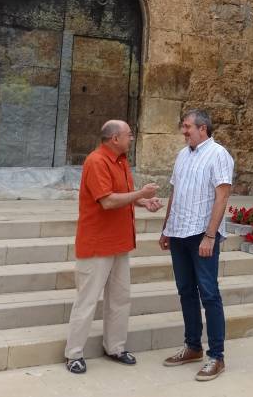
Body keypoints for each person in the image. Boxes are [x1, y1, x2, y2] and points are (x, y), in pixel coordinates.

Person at [64, 119, 162, 374]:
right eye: (129, 135)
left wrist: (143, 203)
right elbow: (107, 201)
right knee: (87, 301)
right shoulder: (96, 161)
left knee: (120, 298)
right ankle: (74, 354)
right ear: (114, 139)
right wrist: (141, 194)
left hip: (119, 243)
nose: (132, 138)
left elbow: (120, 196)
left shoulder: (120, 160)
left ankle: (115, 347)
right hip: (97, 244)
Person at [160, 109, 234, 382]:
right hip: (178, 233)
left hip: (202, 236)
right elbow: (175, 192)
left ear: (203, 128)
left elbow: (222, 197)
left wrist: (210, 236)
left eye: (187, 126)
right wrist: (166, 228)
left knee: (209, 294)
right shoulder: (182, 155)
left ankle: (217, 356)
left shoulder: (219, 154)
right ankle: (193, 346)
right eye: (183, 127)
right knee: (185, 291)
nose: (184, 131)